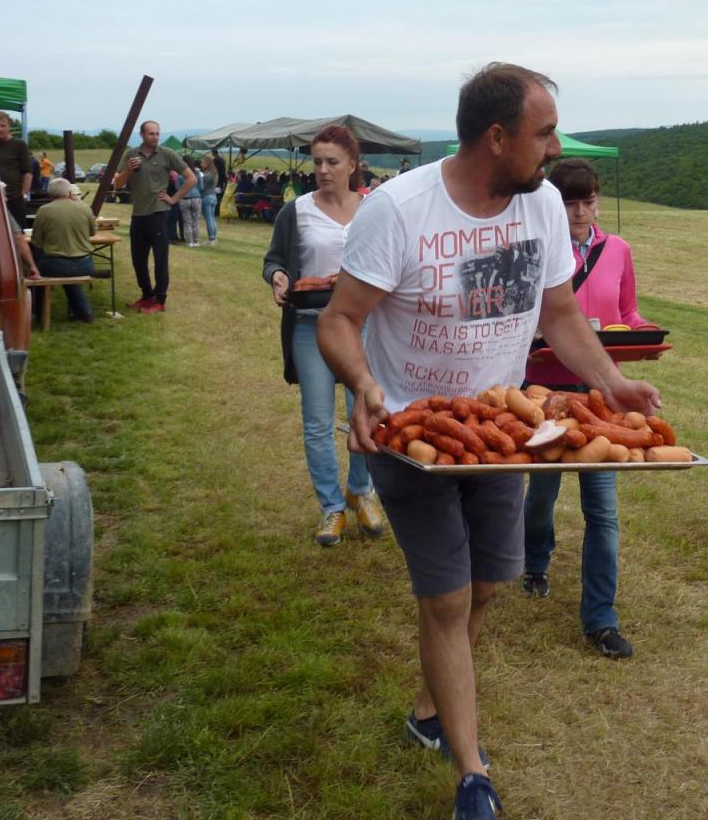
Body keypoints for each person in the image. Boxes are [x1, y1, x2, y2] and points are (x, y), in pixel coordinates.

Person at [317, 63, 661, 820]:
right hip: (412, 435)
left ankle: (429, 707)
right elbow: (339, 319)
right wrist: (363, 384)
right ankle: (472, 774)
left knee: (485, 587)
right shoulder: (399, 210)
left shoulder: (541, 205)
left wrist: (610, 383)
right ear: (498, 137)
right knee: (445, 600)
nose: (557, 147)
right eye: (545, 133)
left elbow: (560, 314)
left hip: (505, 436)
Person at [521, 158, 647, 660]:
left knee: (603, 508)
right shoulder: (538, 250)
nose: (579, 212)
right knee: (541, 493)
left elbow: (627, 312)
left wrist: (644, 334)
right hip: (546, 390)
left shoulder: (618, 250)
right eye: (569, 203)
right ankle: (535, 563)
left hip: (600, 394)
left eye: (587, 201)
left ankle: (601, 618)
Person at [262, 125, 385, 547]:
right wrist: (278, 277)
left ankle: (361, 490)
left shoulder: (374, 208)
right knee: (317, 422)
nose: (323, 170)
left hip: (363, 326)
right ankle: (332, 507)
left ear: (353, 165)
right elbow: (274, 260)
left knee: (366, 410)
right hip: (310, 324)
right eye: (317, 162)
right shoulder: (295, 211)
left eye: (332, 162)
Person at [113, 120, 196, 314]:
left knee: (160, 259)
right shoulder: (131, 154)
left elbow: (191, 178)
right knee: (138, 260)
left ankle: (159, 300)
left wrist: (173, 199)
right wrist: (128, 170)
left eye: (157, 133)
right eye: (151, 133)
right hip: (138, 214)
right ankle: (147, 295)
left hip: (159, 213)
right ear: (142, 135)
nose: (155, 137)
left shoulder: (167, 154)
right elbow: (117, 184)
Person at [30, 178, 97, 322]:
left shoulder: (44, 210)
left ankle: (39, 314)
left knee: (36, 271)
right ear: (69, 192)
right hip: (85, 264)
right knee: (70, 274)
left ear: (50, 193)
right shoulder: (85, 208)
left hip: (56, 265)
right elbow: (92, 232)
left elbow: (36, 241)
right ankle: (84, 312)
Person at [0, 112, 33, 229]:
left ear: (9, 127)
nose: (0, 129)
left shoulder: (19, 145)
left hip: (14, 197)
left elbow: (28, 173)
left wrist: (23, 195)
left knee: (18, 231)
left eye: (3, 126)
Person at [179, 159, 203, 247]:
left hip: (184, 198)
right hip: (196, 197)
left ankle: (189, 241)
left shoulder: (181, 174)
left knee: (187, 221)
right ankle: (196, 241)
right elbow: (201, 187)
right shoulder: (197, 173)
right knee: (196, 221)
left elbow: (177, 187)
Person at [199, 154, 219, 244]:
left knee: (209, 219)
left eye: (203, 163)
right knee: (212, 218)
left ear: (207, 164)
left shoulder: (206, 175)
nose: (201, 164)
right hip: (213, 196)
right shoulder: (214, 174)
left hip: (206, 197)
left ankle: (211, 238)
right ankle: (214, 237)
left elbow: (202, 187)